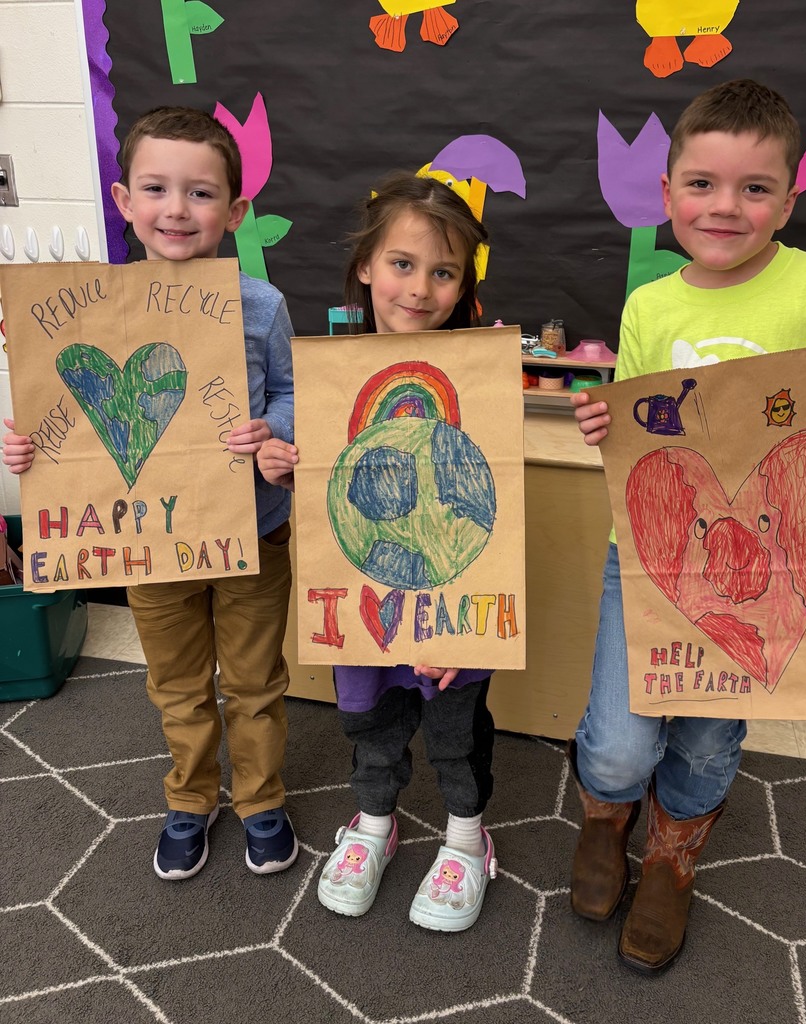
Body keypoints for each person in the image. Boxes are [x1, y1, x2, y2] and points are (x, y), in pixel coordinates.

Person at [568, 79, 806, 975]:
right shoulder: (650, 307)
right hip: (650, 556)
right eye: (702, 184)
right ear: (667, 194)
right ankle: (605, 815)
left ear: (791, 200)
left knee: (708, 732)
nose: (726, 207)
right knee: (620, 735)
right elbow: (636, 431)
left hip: (766, 562)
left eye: (755, 189)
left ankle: (673, 856)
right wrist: (605, 424)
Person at [3, 106, 300, 881]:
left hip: (252, 531)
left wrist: (271, 432)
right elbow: (62, 415)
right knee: (174, 680)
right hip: (147, 538)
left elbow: (296, 391)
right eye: (156, 189)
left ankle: (260, 799)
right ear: (123, 200)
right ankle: (191, 797)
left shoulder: (260, 306)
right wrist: (27, 447)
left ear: (234, 211)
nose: (177, 209)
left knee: (254, 678)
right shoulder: (87, 305)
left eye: (201, 194)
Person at [256, 172, 498, 932]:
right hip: (363, 602)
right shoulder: (328, 379)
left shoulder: (483, 378)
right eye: (402, 263)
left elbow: (495, 503)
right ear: (365, 266)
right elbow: (321, 490)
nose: (420, 288)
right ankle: (373, 824)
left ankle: (466, 839)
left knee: (457, 728)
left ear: (463, 284)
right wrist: (282, 462)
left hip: (454, 602)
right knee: (369, 721)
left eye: (444, 271)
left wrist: (463, 618)